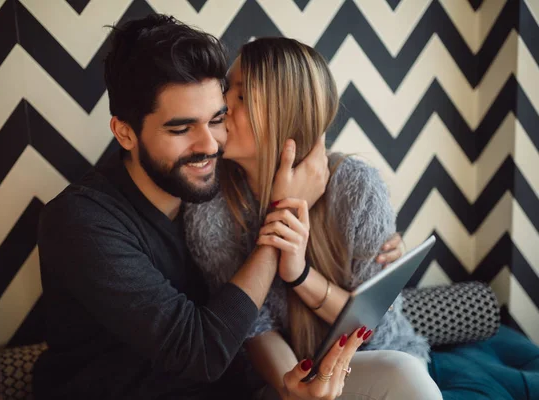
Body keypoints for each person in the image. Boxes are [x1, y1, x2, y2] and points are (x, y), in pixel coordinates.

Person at [33, 15, 406, 400]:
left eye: (217, 118)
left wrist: (374, 242)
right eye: (181, 129)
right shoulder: (81, 221)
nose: (209, 144)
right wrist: (283, 216)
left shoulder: (212, 192)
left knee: (402, 376)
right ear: (125, 132)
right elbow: (202, 352)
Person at [184, 38, 443, 399]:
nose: (221, 104)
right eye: (227, 89)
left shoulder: (356, 187)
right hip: (280, 379)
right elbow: (250, 327)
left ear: (284, 113)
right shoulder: (207, 208)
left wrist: (300, 275)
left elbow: (379, 330)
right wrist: (297, 390)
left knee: (403, 374)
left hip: (371, 364)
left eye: (241, 96)